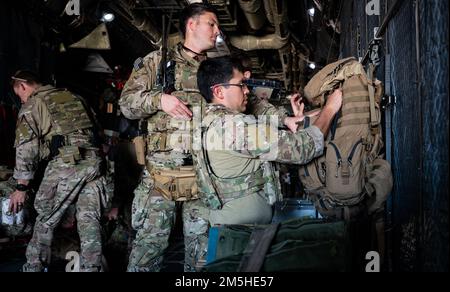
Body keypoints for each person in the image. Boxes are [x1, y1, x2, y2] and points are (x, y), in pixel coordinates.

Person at [119, 3, 221, 272]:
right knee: (148, 250)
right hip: (161, 177)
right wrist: (159, 99)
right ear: (192, 25)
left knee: (201, 256)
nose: (217, 31)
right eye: (211, 23)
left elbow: (241, 106)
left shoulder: (215, 70)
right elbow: (127, 104)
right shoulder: (158, 61)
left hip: (202, 176)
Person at [195, 56, 343, 227]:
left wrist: (290, 120)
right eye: (240, 84)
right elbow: (302, 149)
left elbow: (261, 136)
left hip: (237, 229)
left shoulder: (209, 121)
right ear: (219, 91)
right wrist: (331, 108)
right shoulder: (232, 127)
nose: (247, 91)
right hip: (239, 234)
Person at [9, 70, 110, 272]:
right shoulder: (75, 97)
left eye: (19, 94)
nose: (21, 99)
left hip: (67, 162)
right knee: (89, 220)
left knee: (46, 217)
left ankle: (34, 267)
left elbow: (26, 148)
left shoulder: (33, 105)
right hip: (95, 161)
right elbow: (99, 135)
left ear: (22, 86)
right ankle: (92, 268)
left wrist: (21, 186)